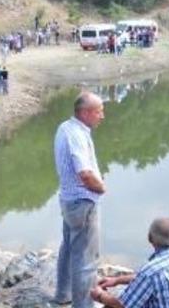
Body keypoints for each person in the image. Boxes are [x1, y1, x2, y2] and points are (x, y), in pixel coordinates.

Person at [53, 92, 106, 308]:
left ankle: (63, 294)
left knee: (68, 249)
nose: (102, 116)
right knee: (86, 260)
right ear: (84, 113)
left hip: (69, 200)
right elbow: (84, 173)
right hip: (82, 203)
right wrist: (101, 187)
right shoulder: (76, 135)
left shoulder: (65, 127)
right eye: (99, 111)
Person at [89, 218, 169, 308]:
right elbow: (149, 278)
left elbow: (124, 305)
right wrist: (117, 280)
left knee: (113, 303)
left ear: (149, 238)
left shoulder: (151, 271)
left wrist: (100, 295)